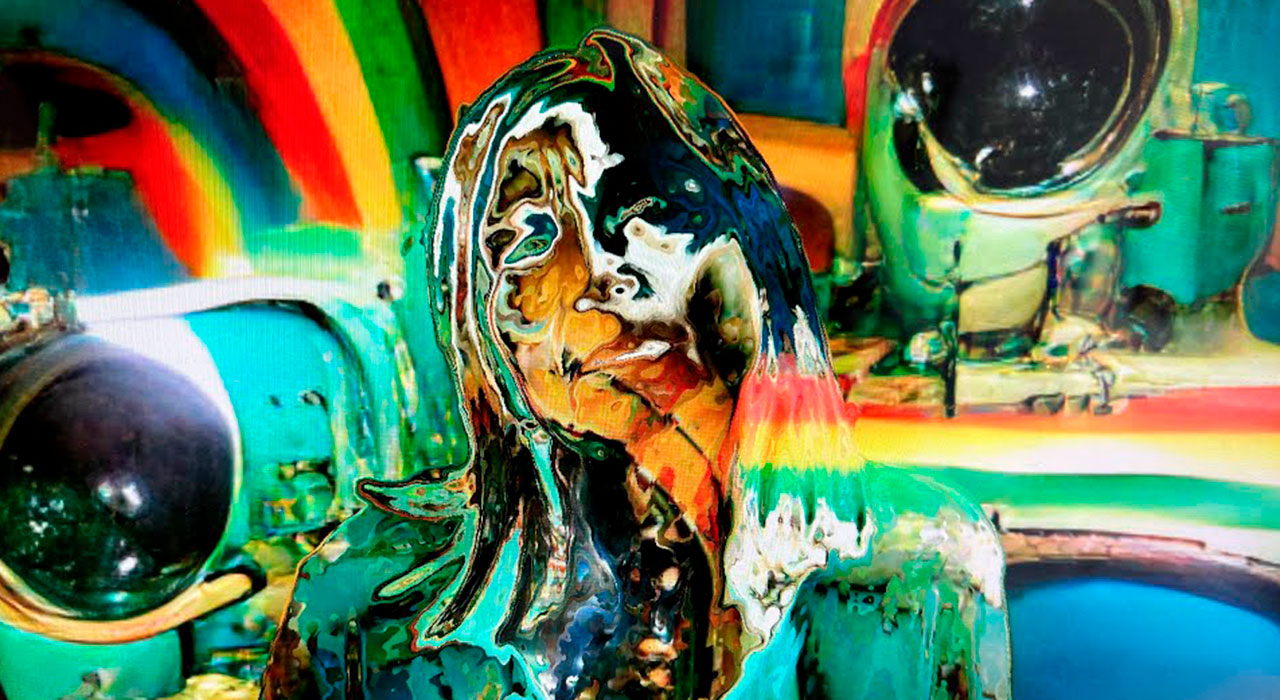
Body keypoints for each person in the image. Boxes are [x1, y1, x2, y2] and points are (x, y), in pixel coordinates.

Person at [263, 29, 1010, 700]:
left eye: (645, 214)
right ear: (471, 315)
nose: (600, 274)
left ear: (757, 253)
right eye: (531, 237)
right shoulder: (359, 604)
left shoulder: (924, 566)